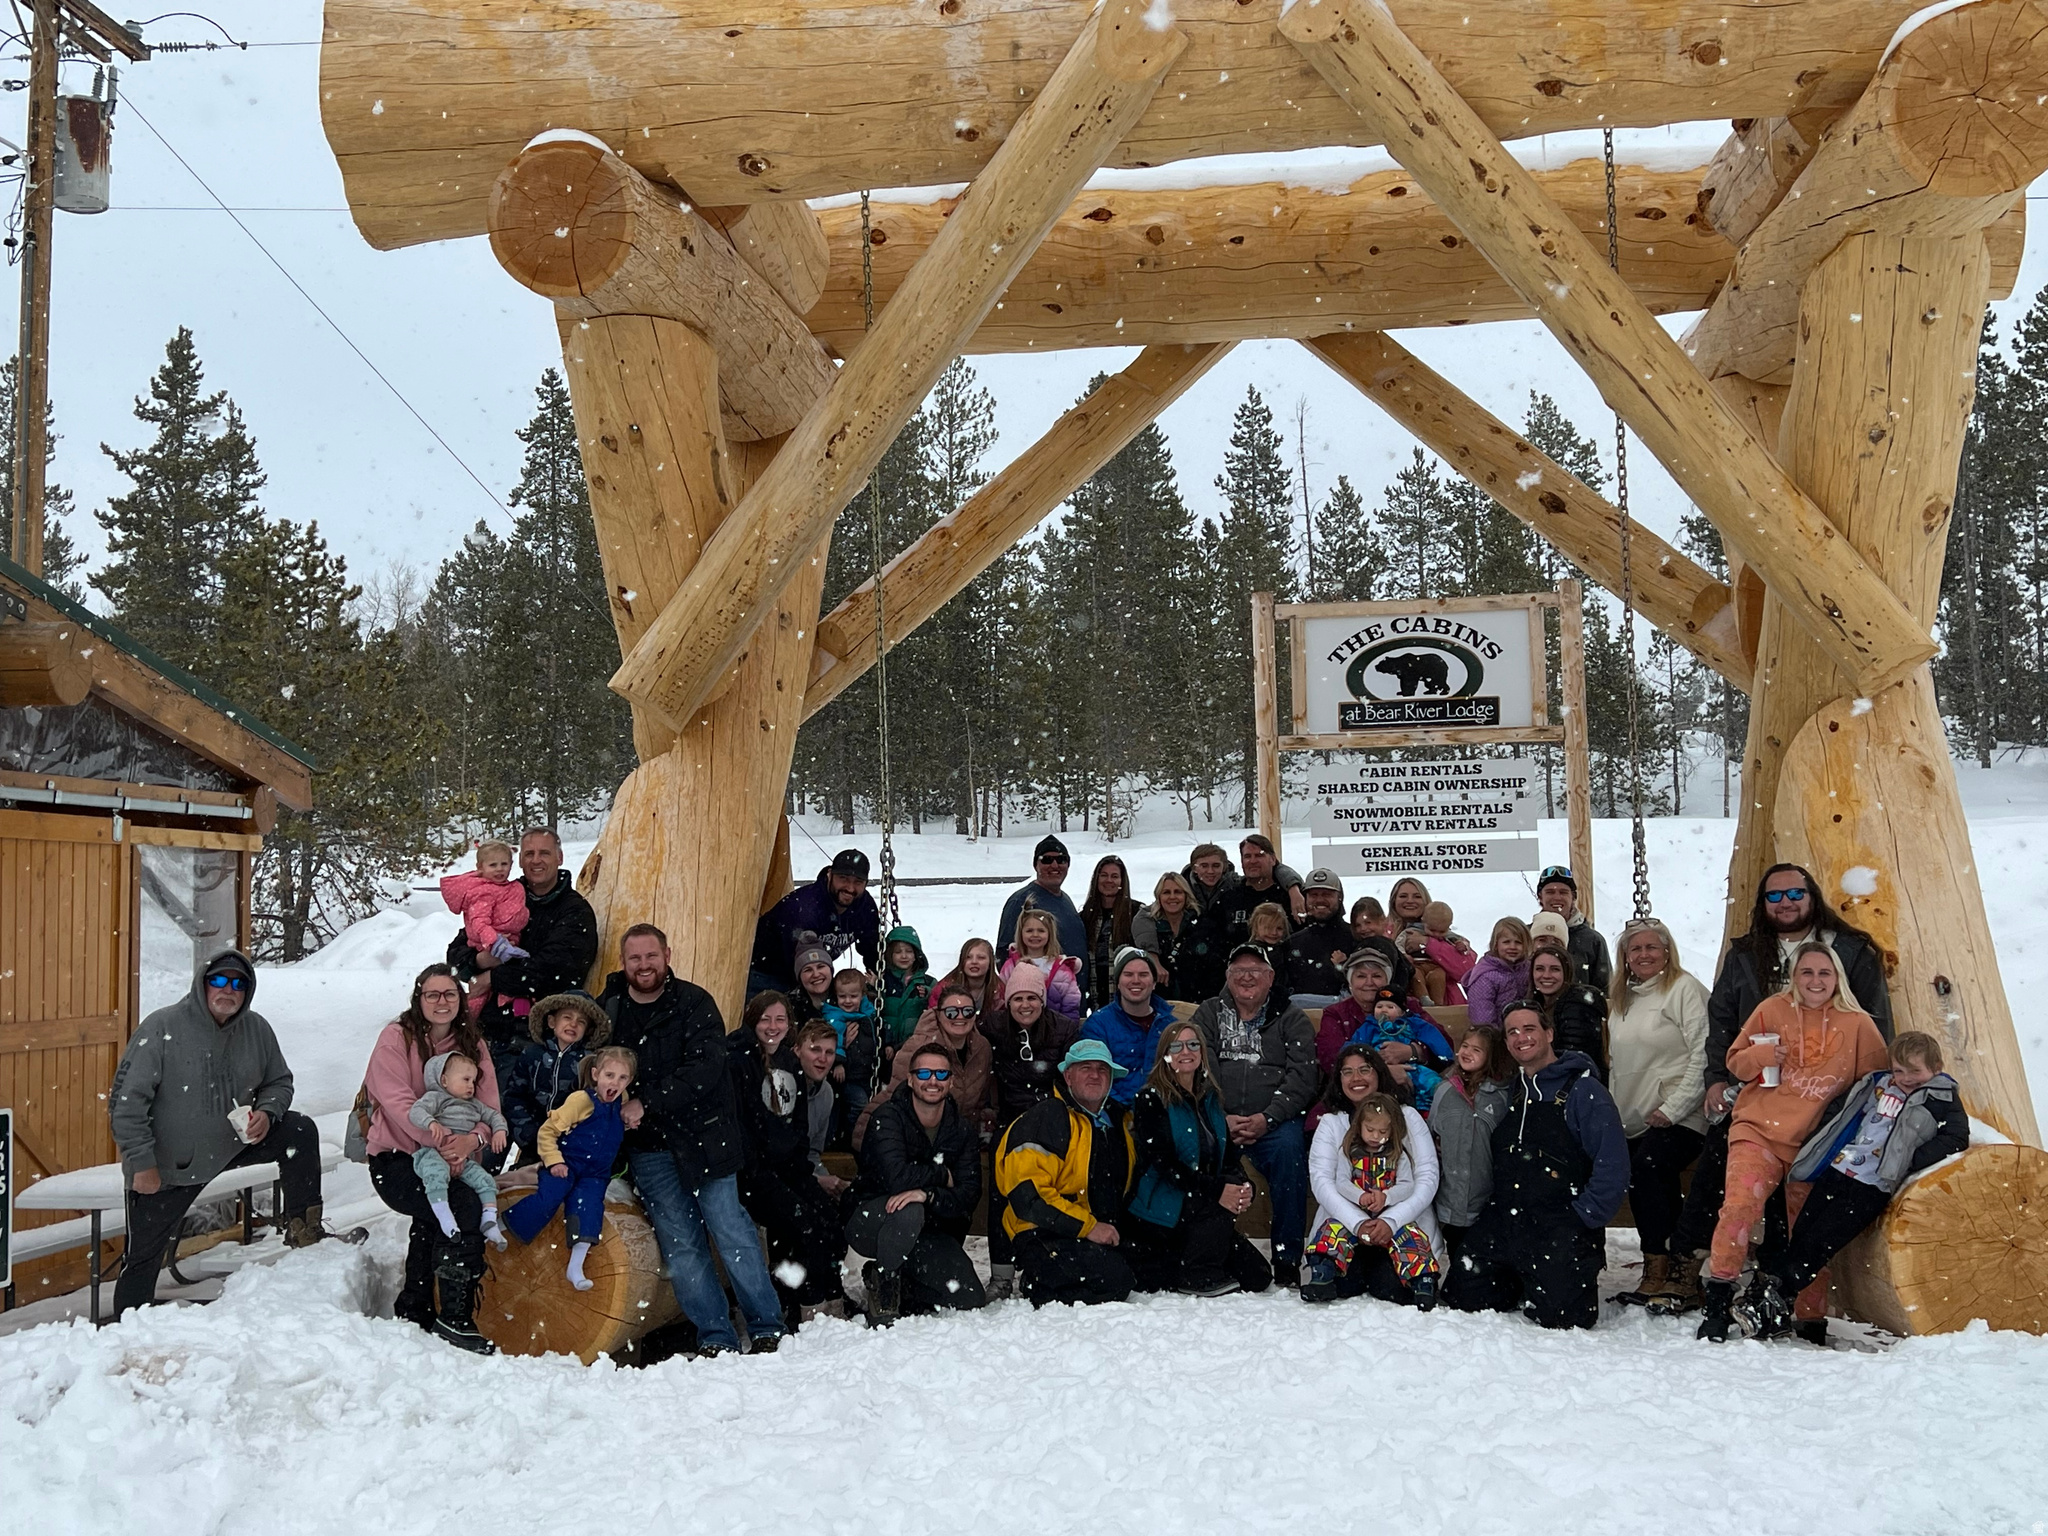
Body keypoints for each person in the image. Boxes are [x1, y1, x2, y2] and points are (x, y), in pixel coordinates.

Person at [1660, 862, 1895, 1317]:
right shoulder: (1748, 953)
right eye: (1774, 896)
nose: (1785, 903)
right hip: (1755, 1095)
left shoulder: (1851, 950)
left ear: (1812, 896)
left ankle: (1784, 1295)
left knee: (1800, 1217)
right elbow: (1722, 1023)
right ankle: (1695, 1269)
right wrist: (1718, 1080)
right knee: (1727, 1187)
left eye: (1794, 894)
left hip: (1824, 1114)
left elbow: (1875, 1043)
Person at [107, 950, 334, 1323]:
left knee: (298, 1130)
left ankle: (304, 1230)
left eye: (238, 984)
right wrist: (142, 1164)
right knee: (143, 1259)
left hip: (232, 1145)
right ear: (203, 983)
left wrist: (267, 1112)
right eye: (219, 981)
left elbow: (279, 1081)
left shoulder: (256, 1029)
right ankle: (129, 1331)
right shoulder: (162, 1027)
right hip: (168, 1167)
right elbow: (125, 1105)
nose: (228, 990)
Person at [602, 924, 785, 1356]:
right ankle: (715, 1335)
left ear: (667, 954)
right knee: (680, 1243)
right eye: (635, 958)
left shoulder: (695, 1002)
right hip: (650, 1148)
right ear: (623, 962)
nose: (643, 965)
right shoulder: (610, 1010)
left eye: (651, 956)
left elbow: (704, 1069)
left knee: (730, 1229)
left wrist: (646, 1100)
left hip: (706, 1137)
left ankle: (765, 1324)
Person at [1697, 943, 1889, 1343]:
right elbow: (1736, 1063)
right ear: (1794, 976)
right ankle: (1717, 1300)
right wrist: (1761, 1054)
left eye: (1824, 973)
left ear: (1837, 978)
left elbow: (1874, 1084)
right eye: (1807, 972)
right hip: (1758, 1129)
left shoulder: (1858, 1024)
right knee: (1739, 1209)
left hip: (1817, 1144)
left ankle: (1809, 1316)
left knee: (1808, 1230)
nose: (1815, 981)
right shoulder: (1771, 1009)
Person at [1740, 1032, 1969, 1340]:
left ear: (1937, 1067)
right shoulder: (1877, 1083)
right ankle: (1775, 1307)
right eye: (1899, 1070)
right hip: (1838, 1171)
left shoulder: (1941, 1098)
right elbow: (1844, 1114)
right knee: (1803, 1237)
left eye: (1915, 1071)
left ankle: (1767, 1301)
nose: (1906, 1078)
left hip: (1871, 1187)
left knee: (1819, 1246)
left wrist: (1911, 1159)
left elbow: (1956, 1137)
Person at [362, 964, 504, 1350]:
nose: (442, 1002)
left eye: (450, 995)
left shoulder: (472, 1045)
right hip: (396, 1159)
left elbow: (489, 1107)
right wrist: (444, 1142)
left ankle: (416, 1307)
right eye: (433, 995)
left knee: (431, 1221)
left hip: (454, 1157)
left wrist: (472, 1140)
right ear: (419, 998)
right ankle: (455, 1317)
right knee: (460, 1205)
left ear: (460, 1001)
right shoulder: (395, 1039)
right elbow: (397, 1103)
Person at [1467, 1000, 1629, 1329]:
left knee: (1563, 1318)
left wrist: (1583, 1218)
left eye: (1529, 1029)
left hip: (1561, 1223)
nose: (1520, 1037)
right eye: (1512, 1032)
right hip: (1507, 1220)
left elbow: (1613, 1164)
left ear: (1549, 1033)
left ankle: (1548, 1278)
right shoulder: (1512, 1091)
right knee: (1466, 1296)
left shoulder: (1584, 1091)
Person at [1188, 942, 1318, 1288]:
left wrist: (1268, 1118)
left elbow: (1303, 1077)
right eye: (1239, 971)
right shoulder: (1208, 1014)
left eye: (1256, 970)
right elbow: (1199, 1068)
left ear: (1271, 977)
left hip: (1274, 1122)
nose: (1247, 977)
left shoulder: (1292, 1018)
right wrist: (1221, 1116)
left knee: (1291, 1154)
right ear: (1228, 977)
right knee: (1189, 1156)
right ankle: (1199, 1253)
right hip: (1217, 1118)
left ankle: (1287, 1258)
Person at [1604, 918, 1709, 1306]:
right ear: (1626, 958)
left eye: (1652, 948)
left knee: (1652, 1166)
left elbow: (1703, 1052)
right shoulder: (1622, 1000)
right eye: (1636, 950)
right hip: (1636, 1116)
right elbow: (1619, 1064)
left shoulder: (1684, 990)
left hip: (1682, 1112)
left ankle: (1677, 1267)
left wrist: (1675, 1107)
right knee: (1632, 1171)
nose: (1644, 955)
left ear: (1667, 952)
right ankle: (1656, 1265)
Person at [847, 1040, 989, 1324]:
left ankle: (901, 1281)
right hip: (872, 1219)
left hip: (930, 1230)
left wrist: (929, 1196)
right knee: (907, 1209)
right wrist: (940, 1176)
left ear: (951, 1082)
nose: (932, 1081)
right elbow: (896, 1178)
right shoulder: (887, 1118)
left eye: (941, 1074)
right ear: (910, 1079)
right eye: (924, 1074)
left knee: (969, 1296)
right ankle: (885, 1290)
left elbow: (968, 1195)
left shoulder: (960, 1130)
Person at [1126, 1023, 1273, 1297]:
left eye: (1193, 1044)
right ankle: (1193, 1272)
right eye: (1177, 1046)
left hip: (1201, 1198)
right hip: (1164, 1205)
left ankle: (1192, 1260)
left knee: (1258, 1276)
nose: (1186, 1051)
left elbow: (1228, 1156)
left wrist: (1242, 1185)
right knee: (1219, 1208)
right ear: (1165, 1054)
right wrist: (1218, 1190)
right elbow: (1165, 1164)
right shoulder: (1151, 1099)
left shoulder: (1210, 1098)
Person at [728, 992, 847, 1327]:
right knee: (800, 1223)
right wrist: (768, 1166)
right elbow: (746, 1125)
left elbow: (799, 1126)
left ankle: (828, 1296)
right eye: (766, 1019)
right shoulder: (739, 1060)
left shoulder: (788, 1062)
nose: (773, 1026)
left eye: (780, 1019)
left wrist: (801, 1172)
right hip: (752, 1171)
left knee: (827, 1218)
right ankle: (808, 1304)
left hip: (788, 1166)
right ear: (753, 1019)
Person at [446, 829, 599, 1084]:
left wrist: (493, 979)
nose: (536, 860)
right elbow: (457, 950)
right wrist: (480, 961)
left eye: (544, 853)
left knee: (507, 1109)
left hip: (538, 1036)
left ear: (560, 857)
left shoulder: (574, 911)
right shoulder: (503, 894)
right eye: (529, 853)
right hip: (483, 1029)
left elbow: (553, 971)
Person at [996, 1039, 1139, 1306]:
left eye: (1102, 1069)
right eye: (1085, 1067)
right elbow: (1028, 1197)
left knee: (1153, 1270)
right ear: (1068, 1076)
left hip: (1097, 1231)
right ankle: (1039, 1284)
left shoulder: (1121, 1121)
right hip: (1043, 1232)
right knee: (1114, 1280)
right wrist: (1088, 1227)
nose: (1095, 1075)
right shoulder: (1046, 1117)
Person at [982, 961, 1081, 1300]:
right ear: (1007, 1003)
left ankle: (1054, 1256)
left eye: (1032, 998)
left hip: (1052, 1116)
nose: (1025, 1005)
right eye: (1017, 998)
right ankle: (1001, 1271)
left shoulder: (1063, 1030)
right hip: (1011, 1118)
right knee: (1001, 1182)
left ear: (1042, 999)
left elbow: (1072, 1076)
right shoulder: (994, 1026)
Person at [505, 1046, 636, 1290]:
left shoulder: (622, 1103)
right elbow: (548, 1130)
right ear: (596, 1074)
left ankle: (575, 1267)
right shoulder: (581, 1101)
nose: (615, 1083)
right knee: (550, 1197)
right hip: (567, 1163)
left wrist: (628, 1124)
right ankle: (507, 1226)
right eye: (610, 1075)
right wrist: (554, 1160)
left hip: (595, 1174)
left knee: (589, 1209)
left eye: (622, 1078)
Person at [1304, 1090, 1442, 1307]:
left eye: (1383, 1131)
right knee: (1330, 1232)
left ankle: (1422, 1283)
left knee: (1412, 1240)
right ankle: (1322, 1274)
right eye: (1370, 1130)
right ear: (1359, 1126)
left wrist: (1387, 1197)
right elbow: (1340, 1182)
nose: (1376, 1136)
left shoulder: (1398, 1155)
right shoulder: (1349, 1152)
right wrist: (1359, 1197)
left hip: (1390, 1216)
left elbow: (1408, 1185)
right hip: (1353, 1216)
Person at [1431, 1025, 1512, 1311]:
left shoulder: (1500, 1096)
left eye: (1476, 1049)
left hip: (1485, 1195)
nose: (1467, 1052)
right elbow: (1433, 1131)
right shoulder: (1444, 1090)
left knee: (1478, 1263)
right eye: (1465, 1046)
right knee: (1457, 1248)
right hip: (1450, 1194)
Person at [856, 981, 996, 1146]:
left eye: (967, 1011)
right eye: (951, 1012)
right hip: (915, 1136)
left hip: (955, 1137)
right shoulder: (919, 1045)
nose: (960, 1017)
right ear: (938, 1014)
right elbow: (894, 1095)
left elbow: (979, 1103)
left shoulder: (982, 1048)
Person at [406, 1051, 511, 1250]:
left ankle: (489, 1221)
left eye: (473, 1080)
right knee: (435, 1174)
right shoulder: (436, 1098)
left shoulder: (475, 1106)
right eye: (465, 1079)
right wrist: (431, 1123)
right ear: (444, 1080)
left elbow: (494, 1116)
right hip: (434, 1154)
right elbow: (416, 1111)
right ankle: (445, 1217)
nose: (471, 1085)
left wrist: (499, 1131)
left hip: (465, 1160)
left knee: (486, 1181)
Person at [750, 847, 881, 994]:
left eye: (858, 882)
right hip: (766, 970)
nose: (850, 888)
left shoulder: (864, 907)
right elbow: (795, 960)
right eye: (843, 879)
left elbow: (872, 948)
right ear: (830, 875)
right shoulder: (804, 908)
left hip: (809, 973)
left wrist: (881, 980)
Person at [502, 991, 608, 1164]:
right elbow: (514, 1096)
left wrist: (576, 1136)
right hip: (533, 1142)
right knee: (526, 1185)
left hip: (572, 1145)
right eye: (567, 1017)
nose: (573, 1024)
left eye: (581, 1021)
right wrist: (528, 1133)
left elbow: (593, 1102)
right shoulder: (532, 1055)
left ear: (588, 1030)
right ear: (552, 1022)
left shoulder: (590, 1063)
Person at [440, 840, 529, 1019]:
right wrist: (494, 941)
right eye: (493, 865)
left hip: (507, 941)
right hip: (488, 944)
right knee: (479, 993)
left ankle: (514, 1000)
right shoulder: (483, 892)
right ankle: (466, 1022)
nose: (499, 869)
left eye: (504, 864)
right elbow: (479, 922)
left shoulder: (509, 888)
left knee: (518, 969)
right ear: (480, 867)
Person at [1313, 950, 1435, 1076]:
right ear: (1351, 983)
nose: (1369, 982)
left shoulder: (1408, 1006)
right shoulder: (1336, 1013)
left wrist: (1413, 1051)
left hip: (1413, 1081)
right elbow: (1330, 1058)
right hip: (1356, 1087)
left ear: (1387, 981)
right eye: (1361, 976)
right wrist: (1382, 1073)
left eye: (1377, 976)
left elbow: (1442, 1043)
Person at [1080, 947, 1171, 1106]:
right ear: (1118, 983)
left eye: (1143, 975)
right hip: (1113, 1113)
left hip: (1165, 1111)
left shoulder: (1170, 1026)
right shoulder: (1098, 1025)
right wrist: (1121, 1111)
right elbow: (1092, 1077)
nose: (1136, 980)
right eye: (1128, 974)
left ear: (1154, 982)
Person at [1198, 834, 1302, 958]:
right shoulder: (1229, 898)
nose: (1253, 861)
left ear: (1273, 859)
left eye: (1259, 855)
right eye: (1247, 856)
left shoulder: (1291, 897)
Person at [1348, 991, 1447, 1113]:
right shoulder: (1368, 1027)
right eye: (1379, 1007)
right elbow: (1353, 1049)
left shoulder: (1414, 1023)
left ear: (1402, 1011)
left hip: (1412, 1067)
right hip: (1380, 1068)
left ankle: (1427, 1110)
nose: (1384, 1010)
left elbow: (1436, 1041)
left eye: (1390, 1007)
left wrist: (1417, 1050)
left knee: (1432, 1083)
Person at [1528, 933, 1609, 1075]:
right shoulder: (1536, 1005)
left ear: (1566, 973)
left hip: (1574, 1087)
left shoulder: (1577, 1006)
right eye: (1540, 969)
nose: (1546, 975)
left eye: (1555, 969)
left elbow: (1575, 1059)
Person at [997, 835, 1087, 960]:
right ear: (1035, 865)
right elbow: (1004, 954)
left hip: (1074, 979)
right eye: (1047, 860)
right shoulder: (1021, 901)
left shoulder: (1065, 899)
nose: (1055, 865)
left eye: (1061, 859)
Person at [1534, 865, 1612, 996]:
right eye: (1550, 892)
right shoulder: (1526, 935)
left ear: (1573, 897)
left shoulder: (1592, 940)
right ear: (1540, 897)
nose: (1557, 897)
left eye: (1563, 892)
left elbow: (1606, 990)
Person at [1282, 867, 1356, 1004]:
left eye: (1327, 894)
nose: (1320, 900)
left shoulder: (1355, 938)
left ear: (1340, 898)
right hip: (1300, 1021)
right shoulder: (1292, 942)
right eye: (1314, 895)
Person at [1002, 908, 1085, 1019]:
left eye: (1041, 931)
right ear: (1021, 933)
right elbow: (1000, 999)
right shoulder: (1011, 966)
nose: (1035, 934)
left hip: (1055, 1030)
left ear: (1049, 934)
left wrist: (1066, 1031)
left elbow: (1070, 1006)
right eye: (1029, 930)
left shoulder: (1062, 969)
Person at [1079, 854, 1139, 1006]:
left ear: (1122, 881)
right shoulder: (1086, 916)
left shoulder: (1137, 913)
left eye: (1114, 876)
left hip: (1128, 995)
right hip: (1096, 994)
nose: (1109, 881)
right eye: (1104, 875)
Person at [823, 967, 882, 1118]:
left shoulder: (865, 1012)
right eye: (842, 996)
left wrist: (887, 1046)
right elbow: (834, 1041)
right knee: (860, 1106)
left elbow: (877, 1008)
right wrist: (838, 1063)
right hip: (849, 1075)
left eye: (853, 996)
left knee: (874, 1105)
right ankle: (854, 1135)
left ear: (862, 996)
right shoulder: (837, 1017)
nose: (847, 1001)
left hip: (866, 1072)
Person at [1133, 872, 1201, 1002]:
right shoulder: (1149, 923)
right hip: (1157, 1000)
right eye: (1166, 892)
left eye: (1178, 892)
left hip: (1195, 998)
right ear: (1158, 897)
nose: (1172, 897)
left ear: (1186, 895)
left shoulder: (1198, 923)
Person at [1463, 916, 1533, 1026]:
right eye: (1506, 942)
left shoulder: (1527, 970)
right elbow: (1482, 1015)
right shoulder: (1486, 976)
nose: (1512, 947)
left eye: (1518, 943)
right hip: (1496, 1035)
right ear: (1496, 944)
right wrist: (1495, 1037)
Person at [877, 924, 935, 1052]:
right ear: (890, 955)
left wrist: (928, 994)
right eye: (898, 952)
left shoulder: (927, 982)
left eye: (909, 951)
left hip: (915, 1041)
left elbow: (938, 1001)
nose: (904, 956)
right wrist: (873, 987)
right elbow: (874, 1005)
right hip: (887, 1040)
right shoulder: (884, 981)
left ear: (916, 955)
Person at [925, 937, 1003, 1028]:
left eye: (981, 958)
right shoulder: (945, 988)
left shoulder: (1000, 989)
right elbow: (932, 1019)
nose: (974, 962)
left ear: (990, 962)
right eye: (968, 957)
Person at [786, 939, 839, 1027]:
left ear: (831, 970)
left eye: (821, 967)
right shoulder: (788, 1007)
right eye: (808, 970)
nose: (816, 974)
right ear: (799, 977)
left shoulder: (850, 996)